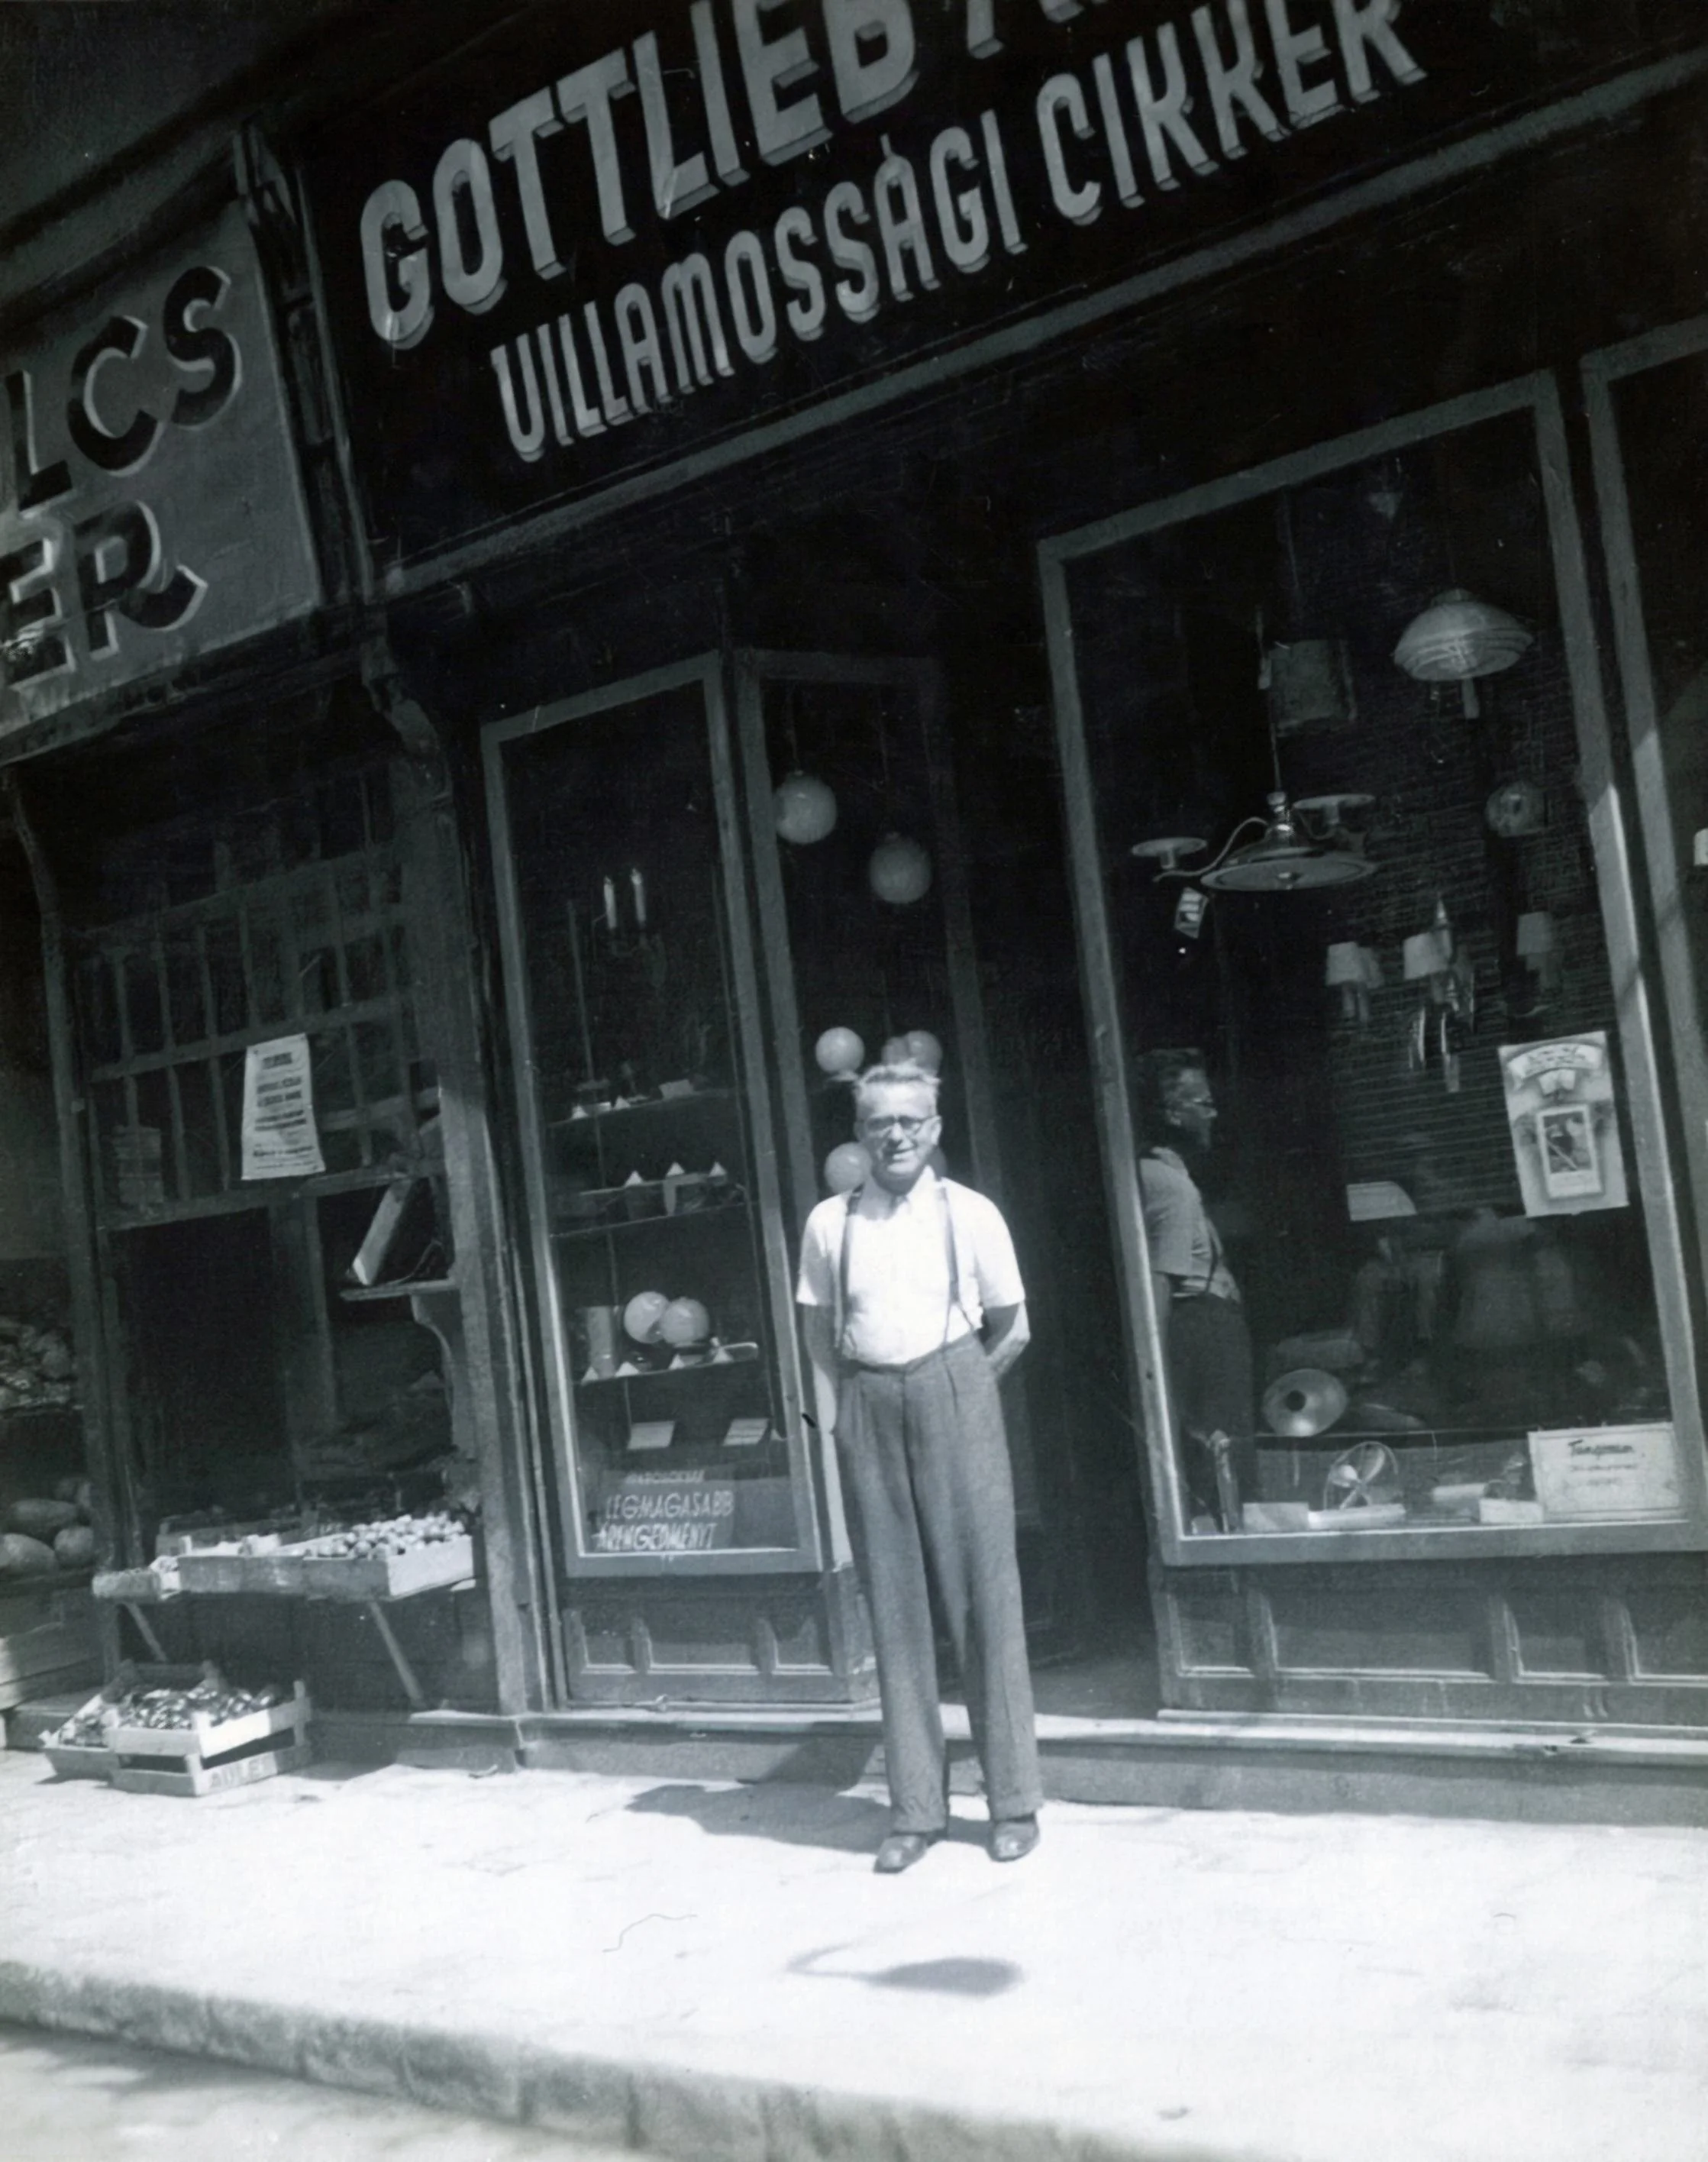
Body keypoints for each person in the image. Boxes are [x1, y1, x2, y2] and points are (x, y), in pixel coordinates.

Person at [797, 1061, 1042, 1873]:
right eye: (877, 1122)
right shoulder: (830, 1223)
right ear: (858, 1133)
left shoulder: (968, 1212)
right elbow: (817, 1326)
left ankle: (1011, 1802)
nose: (893, 1134)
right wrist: (834, 1415)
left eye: (909, 1120)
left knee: (983, 1597)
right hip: (867, 1401)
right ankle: (913, 1809)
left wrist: (962, 1388)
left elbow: (1013, 1325)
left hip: (953, 1386)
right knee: (894, 1610)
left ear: (935, 1128)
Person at [1136, 1049, 1254, 1530]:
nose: (1213, 1113)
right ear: (1171, 1114)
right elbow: (1160, 1284)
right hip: (1201, 1327)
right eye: (1202, 1103)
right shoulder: (1171, 1187)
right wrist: (1159, 1373)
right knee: (1219, 1447)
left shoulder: (1169, 1175)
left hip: (1208, 1322)